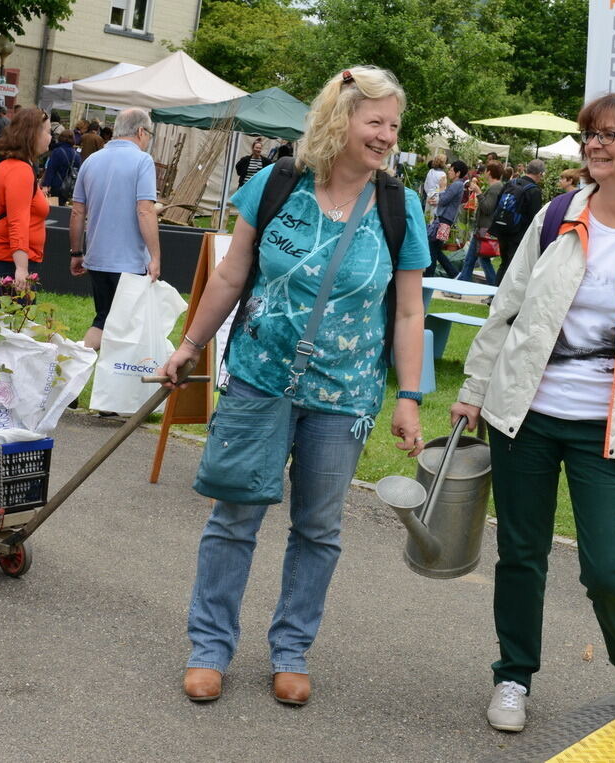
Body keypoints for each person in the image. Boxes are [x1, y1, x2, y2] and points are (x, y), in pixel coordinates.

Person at [158, 66, 430, 707]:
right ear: (340, 120)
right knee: (235, 518)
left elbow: (411, 311)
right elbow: (230, 274)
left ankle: (291, 650)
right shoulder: (275, 185)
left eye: (394, 124)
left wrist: (410, 396)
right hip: (259, 381)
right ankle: (209, 647)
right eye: (375, 122)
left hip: (343, 397)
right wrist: (189, 345)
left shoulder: (399, 206)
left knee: (318, 528)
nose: (387, 135)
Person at [451, 91, 615, 734]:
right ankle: (513, 676)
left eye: (611, 135)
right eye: (590, 134)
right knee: (521, 554)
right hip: (528, 419)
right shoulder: (556, 216)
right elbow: (506, 310)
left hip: (613, 429)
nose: (594, 144)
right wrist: (475, 387)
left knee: (607, 565)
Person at [69, 108, 159, 351]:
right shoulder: (143, 161)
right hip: (130, 262)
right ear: (141, 131)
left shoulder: (91, 160)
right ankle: (116, 379)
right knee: (128, 326)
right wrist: (155, 257)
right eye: (149, 134)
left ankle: (77, 367)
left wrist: (76, 253)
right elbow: (145, 210)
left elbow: (77, 212)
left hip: (97, 258)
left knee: (103, 319)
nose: (148, 139)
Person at [0, 108, 50, 297]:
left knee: (8, 319)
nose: (50, 137)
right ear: (33, 134)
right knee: (16, 322)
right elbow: (17, 222)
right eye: (47, 132)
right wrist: (21, 269)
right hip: (4, 257)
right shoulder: (19, 170)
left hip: (0, 254)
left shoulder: (11, 164)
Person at [494, 158, 544, 285]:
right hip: (519, 233)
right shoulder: (534, 191)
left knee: (504, 262)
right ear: (540, 173)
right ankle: (501, 298)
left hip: (502, 228)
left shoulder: (511, 183)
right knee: (513, 266)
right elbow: (535, 216)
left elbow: (498, 201)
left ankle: (493, 295)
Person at [456, 160, 505, 285]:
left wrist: (478, 192)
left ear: (489, 172)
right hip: (482, 229)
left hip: (484, 229)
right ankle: (461, 286)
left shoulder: (495, 188)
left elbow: (488, 208)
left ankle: (493, 290)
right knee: (471, 260)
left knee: (482, 261)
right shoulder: (497, 187)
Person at [425, 159, 468, 277]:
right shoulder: (457, 185)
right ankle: (453, 273)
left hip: (444, 220)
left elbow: (443, 200)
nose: (448, 172)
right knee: (435, 248)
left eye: (451, 169)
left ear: (458, 173)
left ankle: (429, 275)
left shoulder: (457, 185)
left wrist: (442, 188)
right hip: (444, 220)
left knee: (432, 247)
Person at [42, 132, 81, 205]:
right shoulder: (77, 155)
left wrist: (46, 185)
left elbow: (51, 169)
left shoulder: (57, 151)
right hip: (70, 187)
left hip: (57, 185)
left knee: (55, 208)